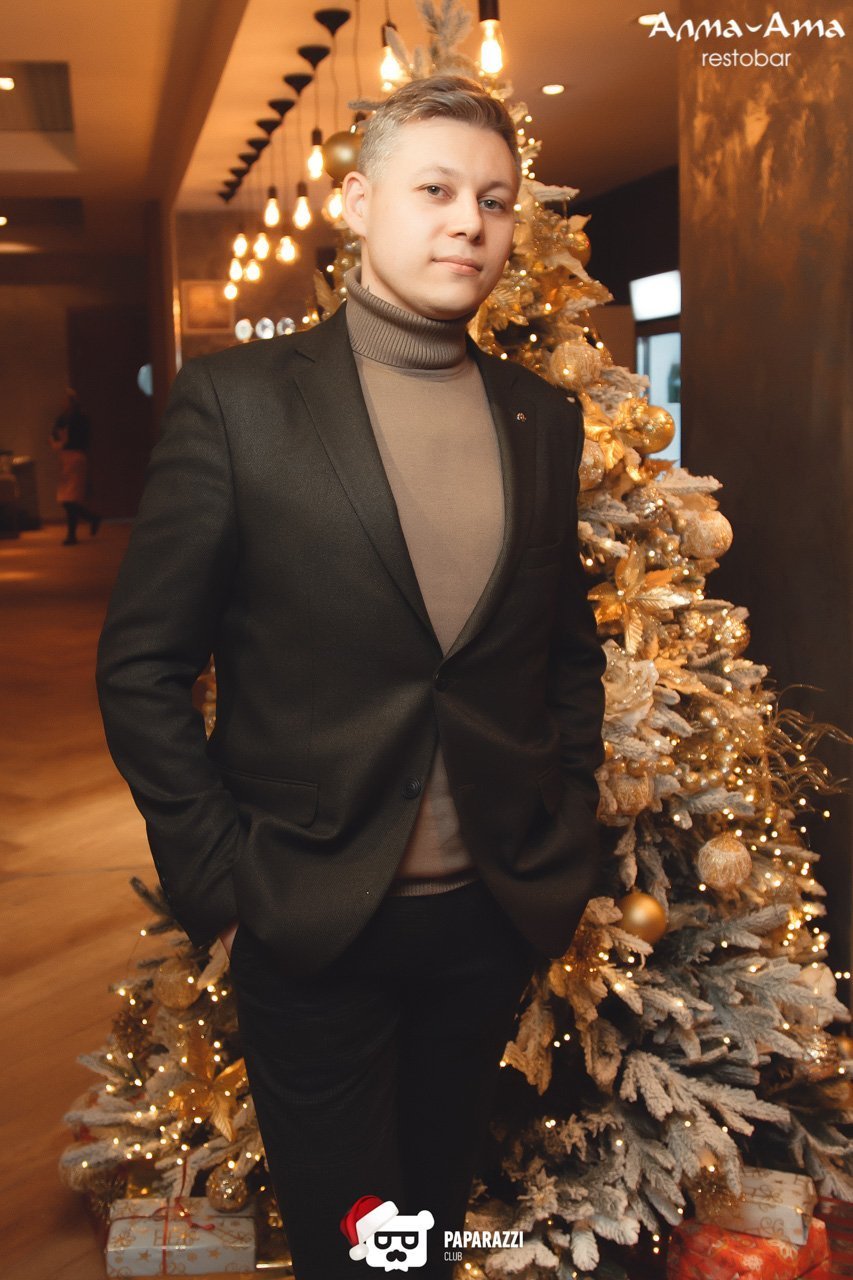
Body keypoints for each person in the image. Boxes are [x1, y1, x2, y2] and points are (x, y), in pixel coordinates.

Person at [95, 75, 607, 1280]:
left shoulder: (540, 417)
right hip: (309, 915)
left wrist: (566, 826)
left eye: (494, 199)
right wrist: (224, 883)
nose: (468, 221)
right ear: (357, 203)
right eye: (434, 189)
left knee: (427, 1219)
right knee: (355, 1247)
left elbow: (565, 652)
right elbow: (142, 665)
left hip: (485, 916)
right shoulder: (238, 405)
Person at [50, 389, 102, 544]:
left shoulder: (77, 419)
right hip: (67, 457)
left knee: (69, 498)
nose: (63, 403)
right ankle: (89, 520)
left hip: (74, 457)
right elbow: (54, 434)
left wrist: (60, 443)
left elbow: (72, 439)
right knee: (68, 497)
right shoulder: (65, 418)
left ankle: (75, 532)